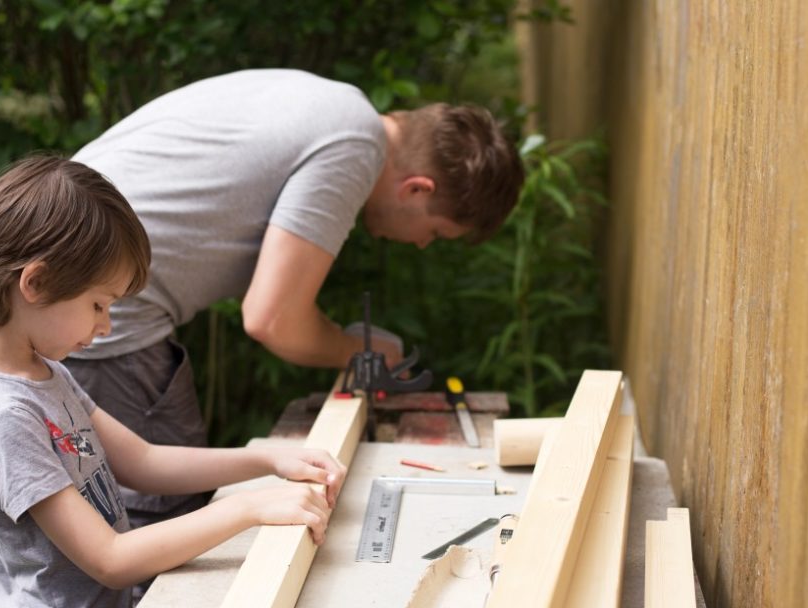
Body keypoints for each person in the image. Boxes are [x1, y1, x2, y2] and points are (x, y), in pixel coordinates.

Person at [63, 68, 525, 531]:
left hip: (71, 277)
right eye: (436, 232)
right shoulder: (355, 146)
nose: (424, 244)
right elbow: (272, 320)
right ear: (418, 189)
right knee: (162, 512)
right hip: (99, 312)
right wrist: (361, 351)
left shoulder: (335, 104)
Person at [0, 155, 346, 608]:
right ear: (37, 283)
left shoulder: (43, 372)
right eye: (99, 304)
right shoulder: (1, 417)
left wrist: (266, 460)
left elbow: (141, 460)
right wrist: (247, 508)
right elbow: (110, 560)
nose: (106, 325)